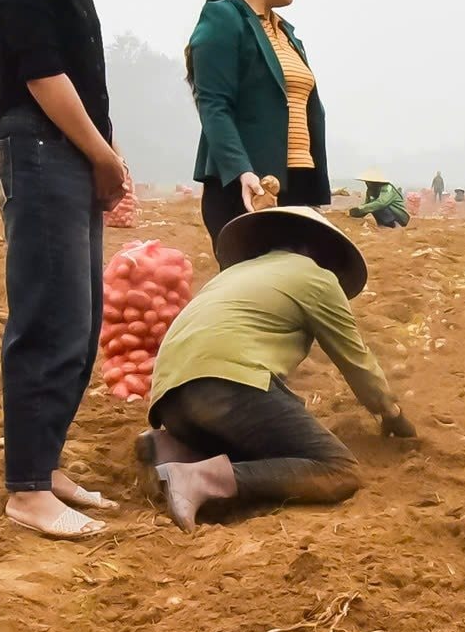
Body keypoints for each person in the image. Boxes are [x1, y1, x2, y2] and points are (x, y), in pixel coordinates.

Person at [0, 0, 128, 538]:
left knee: (81, 320)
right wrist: (102, 156)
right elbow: (41, 74)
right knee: (48, 318)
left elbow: (86, 81)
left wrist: (105, 152)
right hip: (39, 151)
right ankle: (27, 489)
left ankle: (47, 465)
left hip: (69, 154)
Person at [138, 207, 414, 528]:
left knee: (258, 446)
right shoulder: (317, 278)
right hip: (225, 386)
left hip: (169, 398)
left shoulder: (232, 275)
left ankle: (172, 447)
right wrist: (390, 411)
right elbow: (356, 361)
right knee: (338, 469)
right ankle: (201, 479)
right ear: (323, 253)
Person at [186, 0, 332, 260]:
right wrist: (241, 170)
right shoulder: (224, 19)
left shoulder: (286, 33)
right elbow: (213, 105)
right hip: (247, 189)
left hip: (294, 186)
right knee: (258, 301)